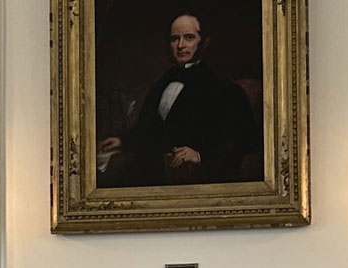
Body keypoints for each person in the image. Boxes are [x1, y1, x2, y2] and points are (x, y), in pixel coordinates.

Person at [97, 12, 260, 187]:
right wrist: (123, 141)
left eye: (189, 37)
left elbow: (243, 143)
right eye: (175, 39)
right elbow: (151, 128)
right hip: (150, 174)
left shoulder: (226, 90)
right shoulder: (164, 80)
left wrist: (199, 155)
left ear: (204, 42)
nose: (180, 45)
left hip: (194, 183)